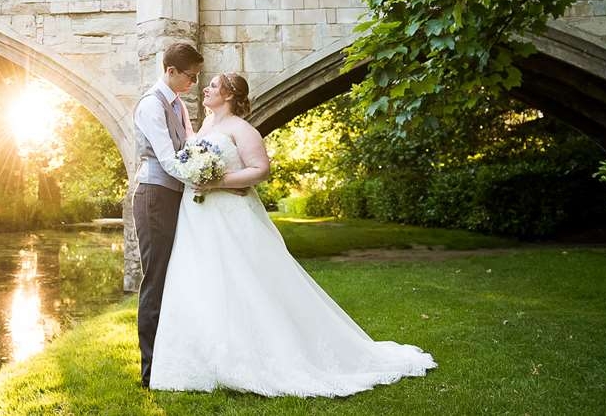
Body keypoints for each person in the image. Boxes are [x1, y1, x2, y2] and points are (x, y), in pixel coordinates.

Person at [149, 72, 437, 396]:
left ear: (229, 94)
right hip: (198, 217)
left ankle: (253, 358)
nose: (206, 88)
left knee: (242, 283)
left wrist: (216, 181)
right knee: (202, 282)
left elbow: (260, 170)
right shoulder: (205, 126)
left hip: (228, 215)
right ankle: (205, 359)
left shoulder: (241, 129)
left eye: (213, 85)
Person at [130, 42, 203, 389]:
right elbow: (168, 158)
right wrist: (203, 179)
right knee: (156, 280)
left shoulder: (179, 106)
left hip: (174, 195)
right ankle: (150, 371)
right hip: (154, 197)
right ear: (171, 71)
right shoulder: (151, 105)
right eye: (190, 77)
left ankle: (173, 360)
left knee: (176, 276)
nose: (193, 83)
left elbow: (188, 147)